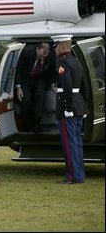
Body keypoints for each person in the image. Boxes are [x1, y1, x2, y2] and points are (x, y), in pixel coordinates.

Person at [51, 35, 88, 184]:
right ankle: (79, 175)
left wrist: (68, 108)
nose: (55, 49)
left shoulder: (63, 62)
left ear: (61, 46)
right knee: (77, 143)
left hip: (69, 109)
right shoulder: (76, 61)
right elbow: (84, 86)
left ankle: (72, 176)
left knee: (69, 143)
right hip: (78, 106)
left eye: (56, 46)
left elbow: (66, 86)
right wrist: (82, 106)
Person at [15, 43, 56, 132]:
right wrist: (18, 87)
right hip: (26, 78)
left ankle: (38, 122)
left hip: (39, 77)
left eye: (44, 57)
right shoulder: (27, 52)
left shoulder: (51, 55)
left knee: (40, 96)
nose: (42, 58)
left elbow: (52, 70)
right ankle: (28, 125)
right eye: (41, 56)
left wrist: (52, 83)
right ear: (37, 49)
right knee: (26, 100)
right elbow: (19, 70)